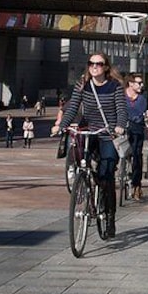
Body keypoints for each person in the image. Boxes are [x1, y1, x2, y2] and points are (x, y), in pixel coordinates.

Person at [51, 52, 128, 238]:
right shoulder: (83, 84)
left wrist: (119, 126)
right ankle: (83, 181)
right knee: (80, 157)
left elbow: (121, 110)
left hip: (108, 133)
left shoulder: (115, 86)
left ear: (106, 67)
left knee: (106, 174)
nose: (95, 67)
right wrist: (60, 126)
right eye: (91, 63)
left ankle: (109, 216)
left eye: (99, 64)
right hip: (89, 130)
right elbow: (73, 107)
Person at [124, 73, 148, 201]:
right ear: (130, 83)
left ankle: (136, 185)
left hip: (137, 131)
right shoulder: (122, 96)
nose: (141, 85)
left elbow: (140, 114)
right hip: (123, 130)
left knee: (137, 156)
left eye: (141, 83)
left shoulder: (142, 99)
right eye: (139, 83)